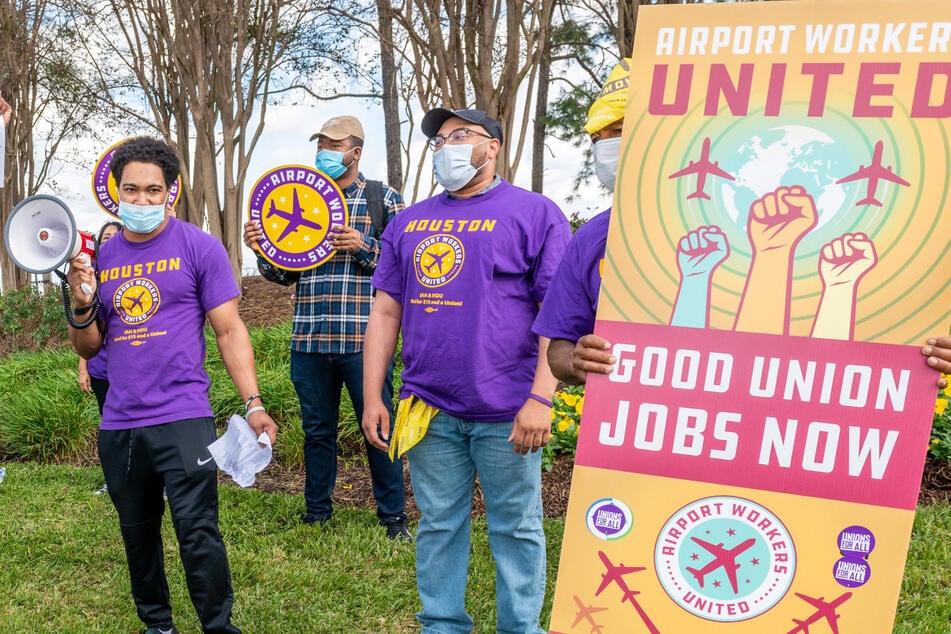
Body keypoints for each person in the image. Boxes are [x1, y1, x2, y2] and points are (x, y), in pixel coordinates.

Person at [362, 107, 571, 633]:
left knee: (517, 527)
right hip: (428, 407)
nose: (446, 145)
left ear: (492, 146)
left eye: (461, 135)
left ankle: (521, 627)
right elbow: (386, 312)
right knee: (438, 524)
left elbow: (558, 315)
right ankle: (442, 624)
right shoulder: (409, 222)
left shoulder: (535, 213)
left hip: (508, 408)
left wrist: (541, 399)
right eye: (438, 139)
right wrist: (373, 396)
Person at [67, 136, 277, 634]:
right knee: (136, 534)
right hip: (120, 422)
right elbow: (88, 346)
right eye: (132, 190)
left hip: (183, 417)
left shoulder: (197, 246)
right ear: (116, 192)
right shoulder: (101, 257)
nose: (142, 200)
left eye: (153, 190)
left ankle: (218, 626)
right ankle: (157, 624)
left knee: (198, 531)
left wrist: (253, 403)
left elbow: (229, 329)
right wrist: (80, 302)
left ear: (172, 192)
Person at [242, 115, 410, 539]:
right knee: (317, 432)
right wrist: (264, 247)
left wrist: (364, 247)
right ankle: (317, 511)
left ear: (355, 152)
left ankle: (393, 517)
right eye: (321, 145)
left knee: (378, 426)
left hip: (363, 341)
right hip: (310, 339)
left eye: (334, 146)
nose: (325, 153)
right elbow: (284, 275)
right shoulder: (303, 199)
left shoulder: (383, 200)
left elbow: (404, 269)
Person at [532, 59, 633, 385]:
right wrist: (577, 360)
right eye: (597, 138)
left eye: (618, 131)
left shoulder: (736, 225)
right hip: (620, 424)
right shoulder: (591, 238)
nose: (606, 147)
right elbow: (560, 343)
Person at [77, 220, 122, 411]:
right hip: (100, 369)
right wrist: (82, 369)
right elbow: (85, 328)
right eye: (106, 237)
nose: (110, 241)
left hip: (128, 368)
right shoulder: (90, 278)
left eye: (115, 237)